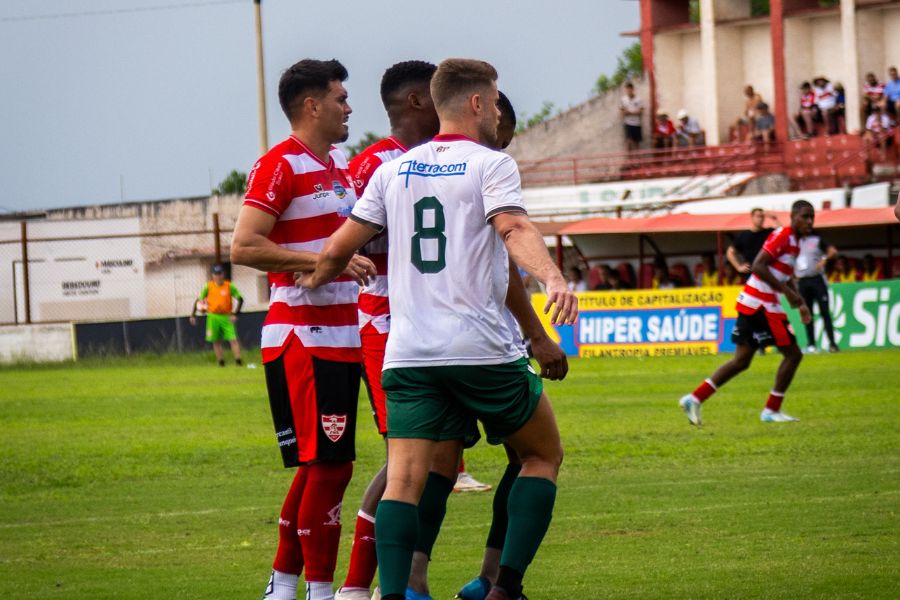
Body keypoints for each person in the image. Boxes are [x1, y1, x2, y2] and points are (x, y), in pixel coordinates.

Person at [297, 58, 578, 600]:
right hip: (480, 348)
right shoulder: (491, 164)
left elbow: (336, 248)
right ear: (475, 103)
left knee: (403, 478)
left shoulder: (391, 170)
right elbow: (513, 227)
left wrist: (312, 278)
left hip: (408, 353)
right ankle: (503, 588)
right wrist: (552, 277)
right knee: (541, 454)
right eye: (494, 101)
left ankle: (398, 593)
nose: (497, 110)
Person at [230, 58, 378, 600]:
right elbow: (243, 247)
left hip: (342, 334)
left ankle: (284, 585)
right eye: (341, 97)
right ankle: (318, 591)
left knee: (322, 466)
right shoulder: (278, 165)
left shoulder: (337, 166)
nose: (349, 106)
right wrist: (321, 259)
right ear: (312, 105)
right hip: (302, 335)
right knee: (332, 468)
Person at [679, 200, 815, 425]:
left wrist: (799, 301)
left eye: (812, 217)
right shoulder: (783, 235)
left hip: (753, 302)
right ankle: (771, 410)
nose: (809, 221)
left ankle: (694, 398)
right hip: (761, 303)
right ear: (793, 216)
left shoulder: (795, 243)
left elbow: (783, 275)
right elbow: (759, 265)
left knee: (741, 361)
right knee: (793, 354)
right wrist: (787, 294)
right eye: (805, 216)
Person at [189, 263, 244, 366]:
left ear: (223, 274)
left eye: (220, 273)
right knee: (216, 340)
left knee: (233, 339)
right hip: (213, 316)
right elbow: (198, 300)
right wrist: (193, 315)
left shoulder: (229, 286)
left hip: (227, 316)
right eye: (216, 274)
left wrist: (236, 314)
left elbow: (240, 299)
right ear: (212, 275)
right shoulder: (208, 286)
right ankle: (221, 362)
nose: (218, 276)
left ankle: (238, 361)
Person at [795, 229, 839, 353]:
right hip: (802, 281)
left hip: (817, 280)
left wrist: (824, 259)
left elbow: (833, 251)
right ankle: (811, 344)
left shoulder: (817, 240)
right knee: (807, 314)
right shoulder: (795, 241)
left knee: (824, 312)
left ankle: (832, 344)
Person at [726, 208, 782, 281]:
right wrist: (738, 267)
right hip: (751, 275)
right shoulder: (744, 235)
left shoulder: (769, 232)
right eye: (758, 216)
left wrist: (774, 219)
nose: (760, 219)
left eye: (762, 217)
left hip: (768, 273)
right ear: (752, 217)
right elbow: (730, 252)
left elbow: (783, 234)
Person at [620, 81, 643, 151]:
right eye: (627, 89)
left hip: (637, 123)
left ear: (632, 89)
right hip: (628, 123)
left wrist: (629, 112)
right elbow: (622, 112)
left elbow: (640, 111)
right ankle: (629, 160)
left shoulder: (638, 99)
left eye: (630, 88)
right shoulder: (623, 99)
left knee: (637, 143)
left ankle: (638, 161)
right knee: (628, 142)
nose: (628, 90)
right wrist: (632, 112)